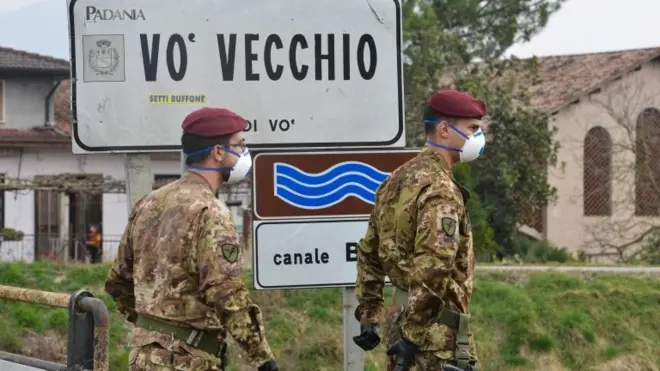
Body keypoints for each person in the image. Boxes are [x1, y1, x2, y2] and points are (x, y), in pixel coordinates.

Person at [104, 107, 278, 371]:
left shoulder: (149, 203)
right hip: (188, 360)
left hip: (143, 358)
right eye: (240, 145)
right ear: (218, 152)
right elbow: (225, 293)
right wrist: (261, 357)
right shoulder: (211, 211)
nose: (244, 153)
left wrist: (152, 329)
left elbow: (117, 281)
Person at [352, 89, 487, 371]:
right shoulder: (440, 189)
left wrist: (369, 315)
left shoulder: (395, 180)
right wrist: (413, 337)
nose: (478, 137)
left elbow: (368, 252)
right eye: (472, 128)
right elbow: (435, 266)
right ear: (444, 129)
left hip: (400, 330)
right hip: (436, 340)